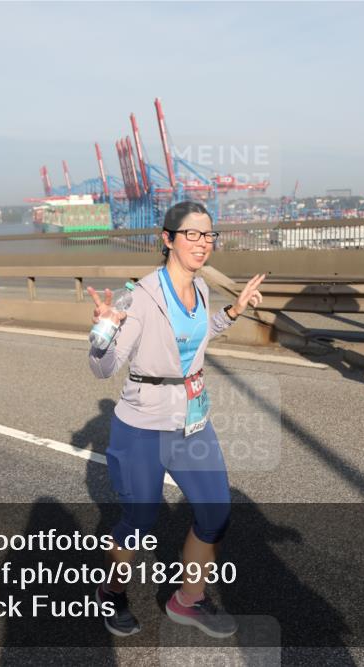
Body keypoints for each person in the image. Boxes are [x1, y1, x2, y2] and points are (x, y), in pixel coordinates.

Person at [87, 200, 265, 638]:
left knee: (215, 513)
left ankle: (187, 599)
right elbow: (103, 368)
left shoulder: (200, 288)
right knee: (139, 524)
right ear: (167, 239)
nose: (203, 243)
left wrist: (234, 311)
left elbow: (196, 335)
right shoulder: (141, 296)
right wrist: (103, 332)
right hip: (142, 427)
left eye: (208, 235)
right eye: (192, 234)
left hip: (192, 421)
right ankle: (111, 590)